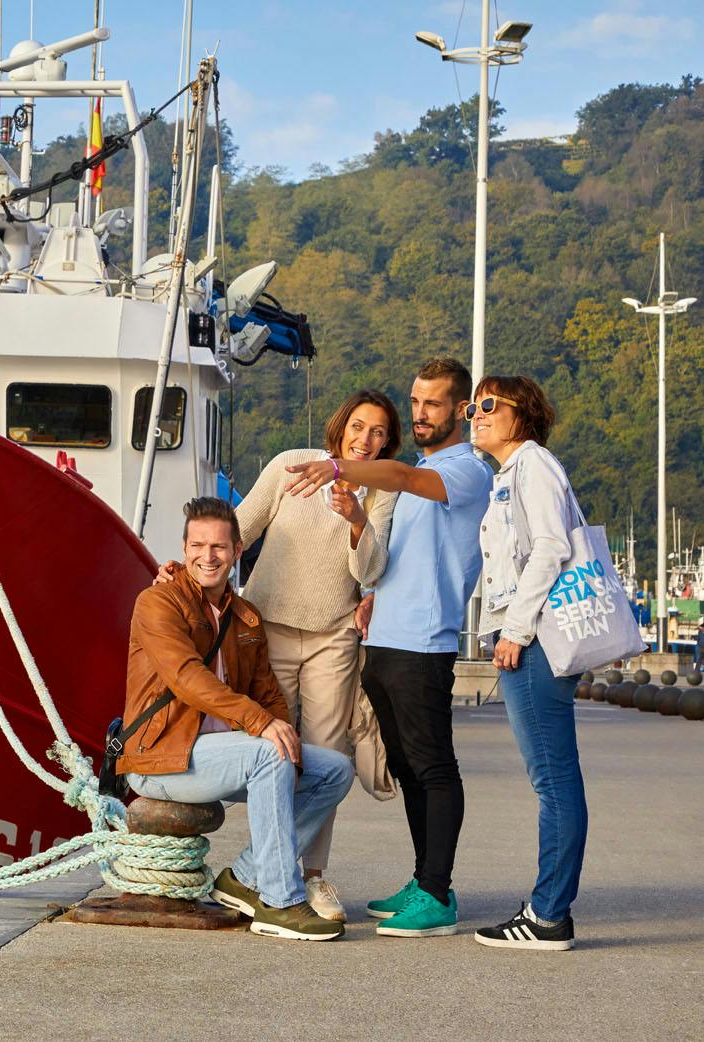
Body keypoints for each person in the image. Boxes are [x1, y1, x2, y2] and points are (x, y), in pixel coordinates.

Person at [154, 390, 402, 921]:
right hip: (265, 630)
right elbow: (239, 527)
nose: (366, 439)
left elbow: (371, 571)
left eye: (379, 432)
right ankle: (270, 870)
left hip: (334, 635)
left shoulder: (381, 490)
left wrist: (358, 518)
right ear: (341, 426)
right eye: (359, 426)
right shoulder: (291, 465)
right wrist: (186, 569)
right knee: (276, 754)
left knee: (326, 757)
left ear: (388, 442)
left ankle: (309, 874)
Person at [284, 357, 492, 938]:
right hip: (384, 639)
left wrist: (335, 466)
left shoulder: (466, 469)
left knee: (434, 766)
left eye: (433, 404)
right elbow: (391, 554)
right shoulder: (425, 467)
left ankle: (438, 894)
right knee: (405, 765)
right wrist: (370, 593)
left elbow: (398, 478)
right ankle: (425, 880)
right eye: (416, 401)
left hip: (424, 643)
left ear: (460, 409)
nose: (420, 413)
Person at [117, 496, 355, 941]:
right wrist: (262, 726)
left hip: (225, 756)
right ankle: (279, 901)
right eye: (198, 545)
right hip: (162, 757)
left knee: (334, 770)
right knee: (268, 751)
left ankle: (244, 877)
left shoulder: (245, 617)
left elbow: (269, 695)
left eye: (219, 547)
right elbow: (187, 677)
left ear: (237, 549)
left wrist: (286, 741)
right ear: (184, 548)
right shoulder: (158, 603)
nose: (208, 556)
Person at [467, 375, 586, 950]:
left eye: (489, 404)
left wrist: (514, 629)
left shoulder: (533, 464)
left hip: (536, 639)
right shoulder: (509, 475)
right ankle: (548, 907)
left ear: (524, 414)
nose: (477, 413)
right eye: (473, 406)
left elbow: (551, 547)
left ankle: (548, 915)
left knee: (553, 779)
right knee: (553, 777)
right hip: (527, 637)